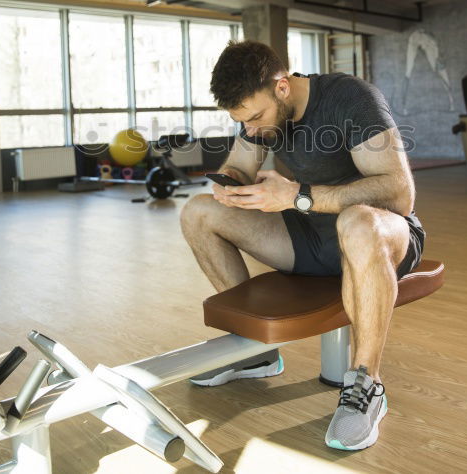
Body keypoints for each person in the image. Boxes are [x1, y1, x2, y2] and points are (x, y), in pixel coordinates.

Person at [180, 40, 425, 451]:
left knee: (357, 221)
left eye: (256, 118)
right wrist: (232, 186)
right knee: (198, 212)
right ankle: (256, 352)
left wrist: (298, 197)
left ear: (281, 87)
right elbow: (239, 165)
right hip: (311, 237)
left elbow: (400, 194)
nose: (252, 129)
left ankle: (367, 384)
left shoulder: (350, 98)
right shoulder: (261, 120)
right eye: (244, 122)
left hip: (380, 233)